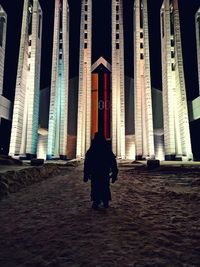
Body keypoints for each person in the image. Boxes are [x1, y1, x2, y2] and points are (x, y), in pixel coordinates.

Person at [83, 132, 118, 210]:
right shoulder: (106, 149)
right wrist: (114, 173)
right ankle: (105, 201)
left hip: (95, 172)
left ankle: (96, 201)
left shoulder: (92, 149)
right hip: (104, 172)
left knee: (95, 186)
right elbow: (113, 162)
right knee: (105, 186)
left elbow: (87, 163)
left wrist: (86, 174)